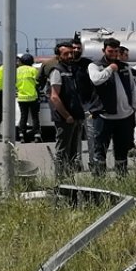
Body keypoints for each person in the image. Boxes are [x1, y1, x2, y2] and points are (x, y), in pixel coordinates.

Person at [86, 38, 135, 175]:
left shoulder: (125, 67)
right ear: (104, 51)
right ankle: (99, 180)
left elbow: (132, 88)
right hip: (104, 116)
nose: (113, 53)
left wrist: (132, 107)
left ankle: (122, 179)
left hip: (124, 116)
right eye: (110, 51)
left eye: (116, 51)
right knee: (100, 150)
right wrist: (109, 69)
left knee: (121, 151)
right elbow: (96, 80)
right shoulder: (95, 66)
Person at [48, 42, 86, 179]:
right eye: (66, 54)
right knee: (62, 151)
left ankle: (69, 181)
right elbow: (54, 96)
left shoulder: (72, 69)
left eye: (71, 53)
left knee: (73, 152)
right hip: (65, 118)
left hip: (76, 116)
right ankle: (60, 180)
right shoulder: (57, 71)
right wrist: (66, 115)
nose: (70, 55)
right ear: (59, 56)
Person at [15, 53, 40, 143]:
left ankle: (22, 135)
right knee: (35, 117)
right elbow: (38, 82)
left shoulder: (17, 71)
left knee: (23, 116)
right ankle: (37, 135)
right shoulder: (33, 70)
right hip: (33, 97)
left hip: (21, 97)